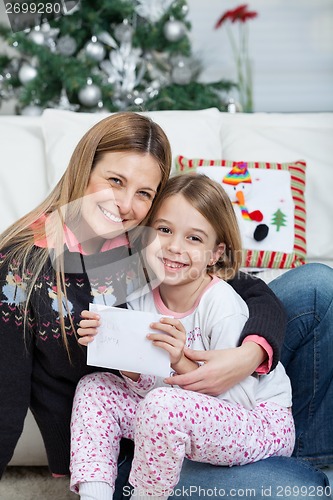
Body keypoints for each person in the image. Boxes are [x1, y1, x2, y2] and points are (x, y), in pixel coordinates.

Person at [0, 111, 331, 498]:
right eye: (115, 181)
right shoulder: (19, 268)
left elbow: (247, 290)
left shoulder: (147, 240)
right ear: (84, 168)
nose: (125, 204)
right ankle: (279, 469)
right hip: (126, 449)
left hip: (213, 409)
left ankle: (291, 454)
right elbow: (4, 396)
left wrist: (247, 356)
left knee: (317, 285)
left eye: (144, 193)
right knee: (302, 490)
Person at [71, 173, 296, 500]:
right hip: (171, 419)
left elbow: (239, 400)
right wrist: (116, 350)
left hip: (256, 423)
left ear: (215, 253)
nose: (174, 247)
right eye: (164, 230)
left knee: (164, 405)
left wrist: (180, 362)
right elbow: (148, 385)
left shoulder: (223, 306)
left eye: (194, 238)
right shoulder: (140, 296)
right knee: (94, 388)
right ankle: (95, 495)